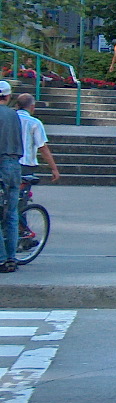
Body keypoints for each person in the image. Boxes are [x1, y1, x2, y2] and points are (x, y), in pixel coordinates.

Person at [0, 81, 23, 273]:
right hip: (15, 164)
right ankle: (11, 257)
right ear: (8, 96)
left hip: (1, 163)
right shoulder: (14, 115)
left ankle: (0, 258)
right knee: (12, 213)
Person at [15, 94, 59, 184]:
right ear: (32, 107)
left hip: (7, 161)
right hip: (26, 163)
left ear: (17, 105)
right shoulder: (34, 123)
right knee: (22, 191)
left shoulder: (8, 118)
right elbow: (42, 147)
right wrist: (54, 168)